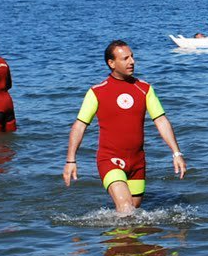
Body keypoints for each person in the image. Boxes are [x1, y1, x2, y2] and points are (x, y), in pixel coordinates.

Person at [64, 40, 188, 214]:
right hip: (110, 159)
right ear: (111, 63)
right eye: (125, 58)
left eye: (132, 57)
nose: (132, 62)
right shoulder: (97, 92)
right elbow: (79, 126)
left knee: (134, 213)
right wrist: (71, 160)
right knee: (125, 208)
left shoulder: (145, 89)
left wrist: (176, 153)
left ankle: (117, 240)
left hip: (137, 162)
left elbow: (161, 121)